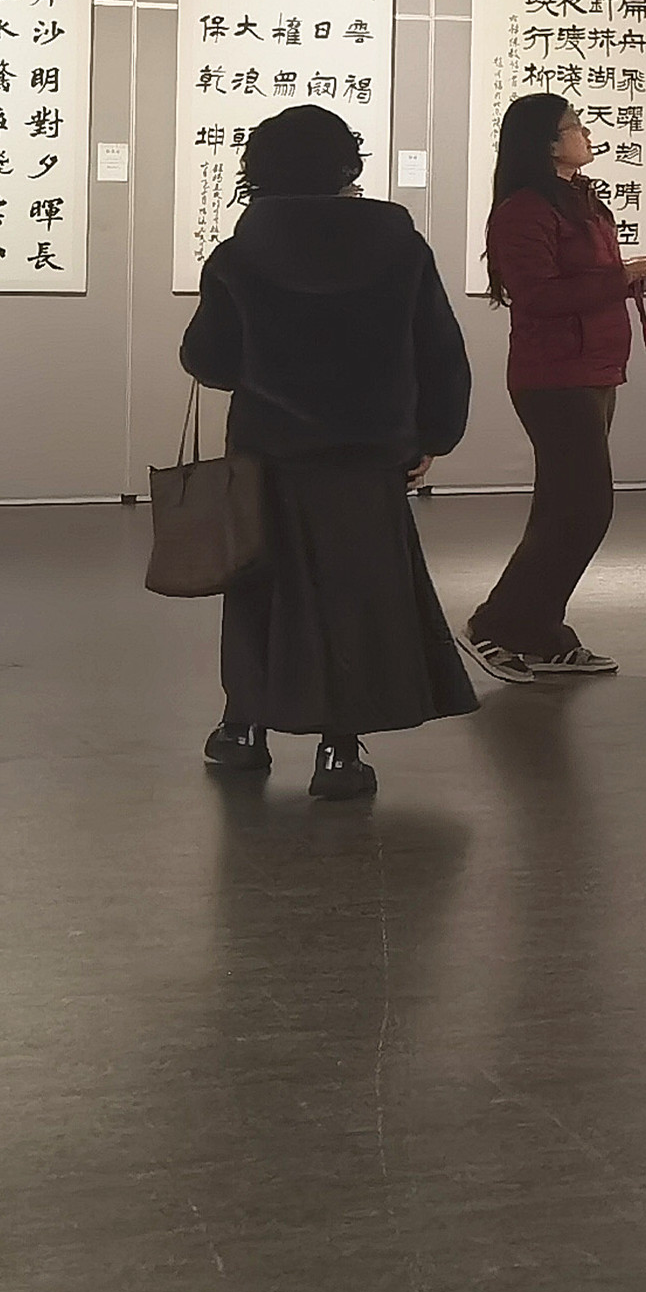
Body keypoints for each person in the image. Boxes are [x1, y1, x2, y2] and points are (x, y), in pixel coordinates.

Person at [177, 103, 478, 799]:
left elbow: (209, 360)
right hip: (367, 455)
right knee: (357, 595)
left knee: (259, 589)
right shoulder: (400, 246)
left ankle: (243, 728)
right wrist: (433, 435)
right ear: (346, 165)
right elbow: (440, 349)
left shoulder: (239, 254)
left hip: (268, 452)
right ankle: (340, 752)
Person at [467, 90, 646, 682]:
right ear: (547, 144)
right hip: (553, 375)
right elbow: (538, 295)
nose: (586, 134)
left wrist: (645, 275)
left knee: (564, 508)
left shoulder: (581, 201)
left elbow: (590, 280)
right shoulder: (524, 210)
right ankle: (496, 625)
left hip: (592, 369)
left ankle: (539, 632)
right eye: (574, 127)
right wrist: (625, 275)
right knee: (584, 508)